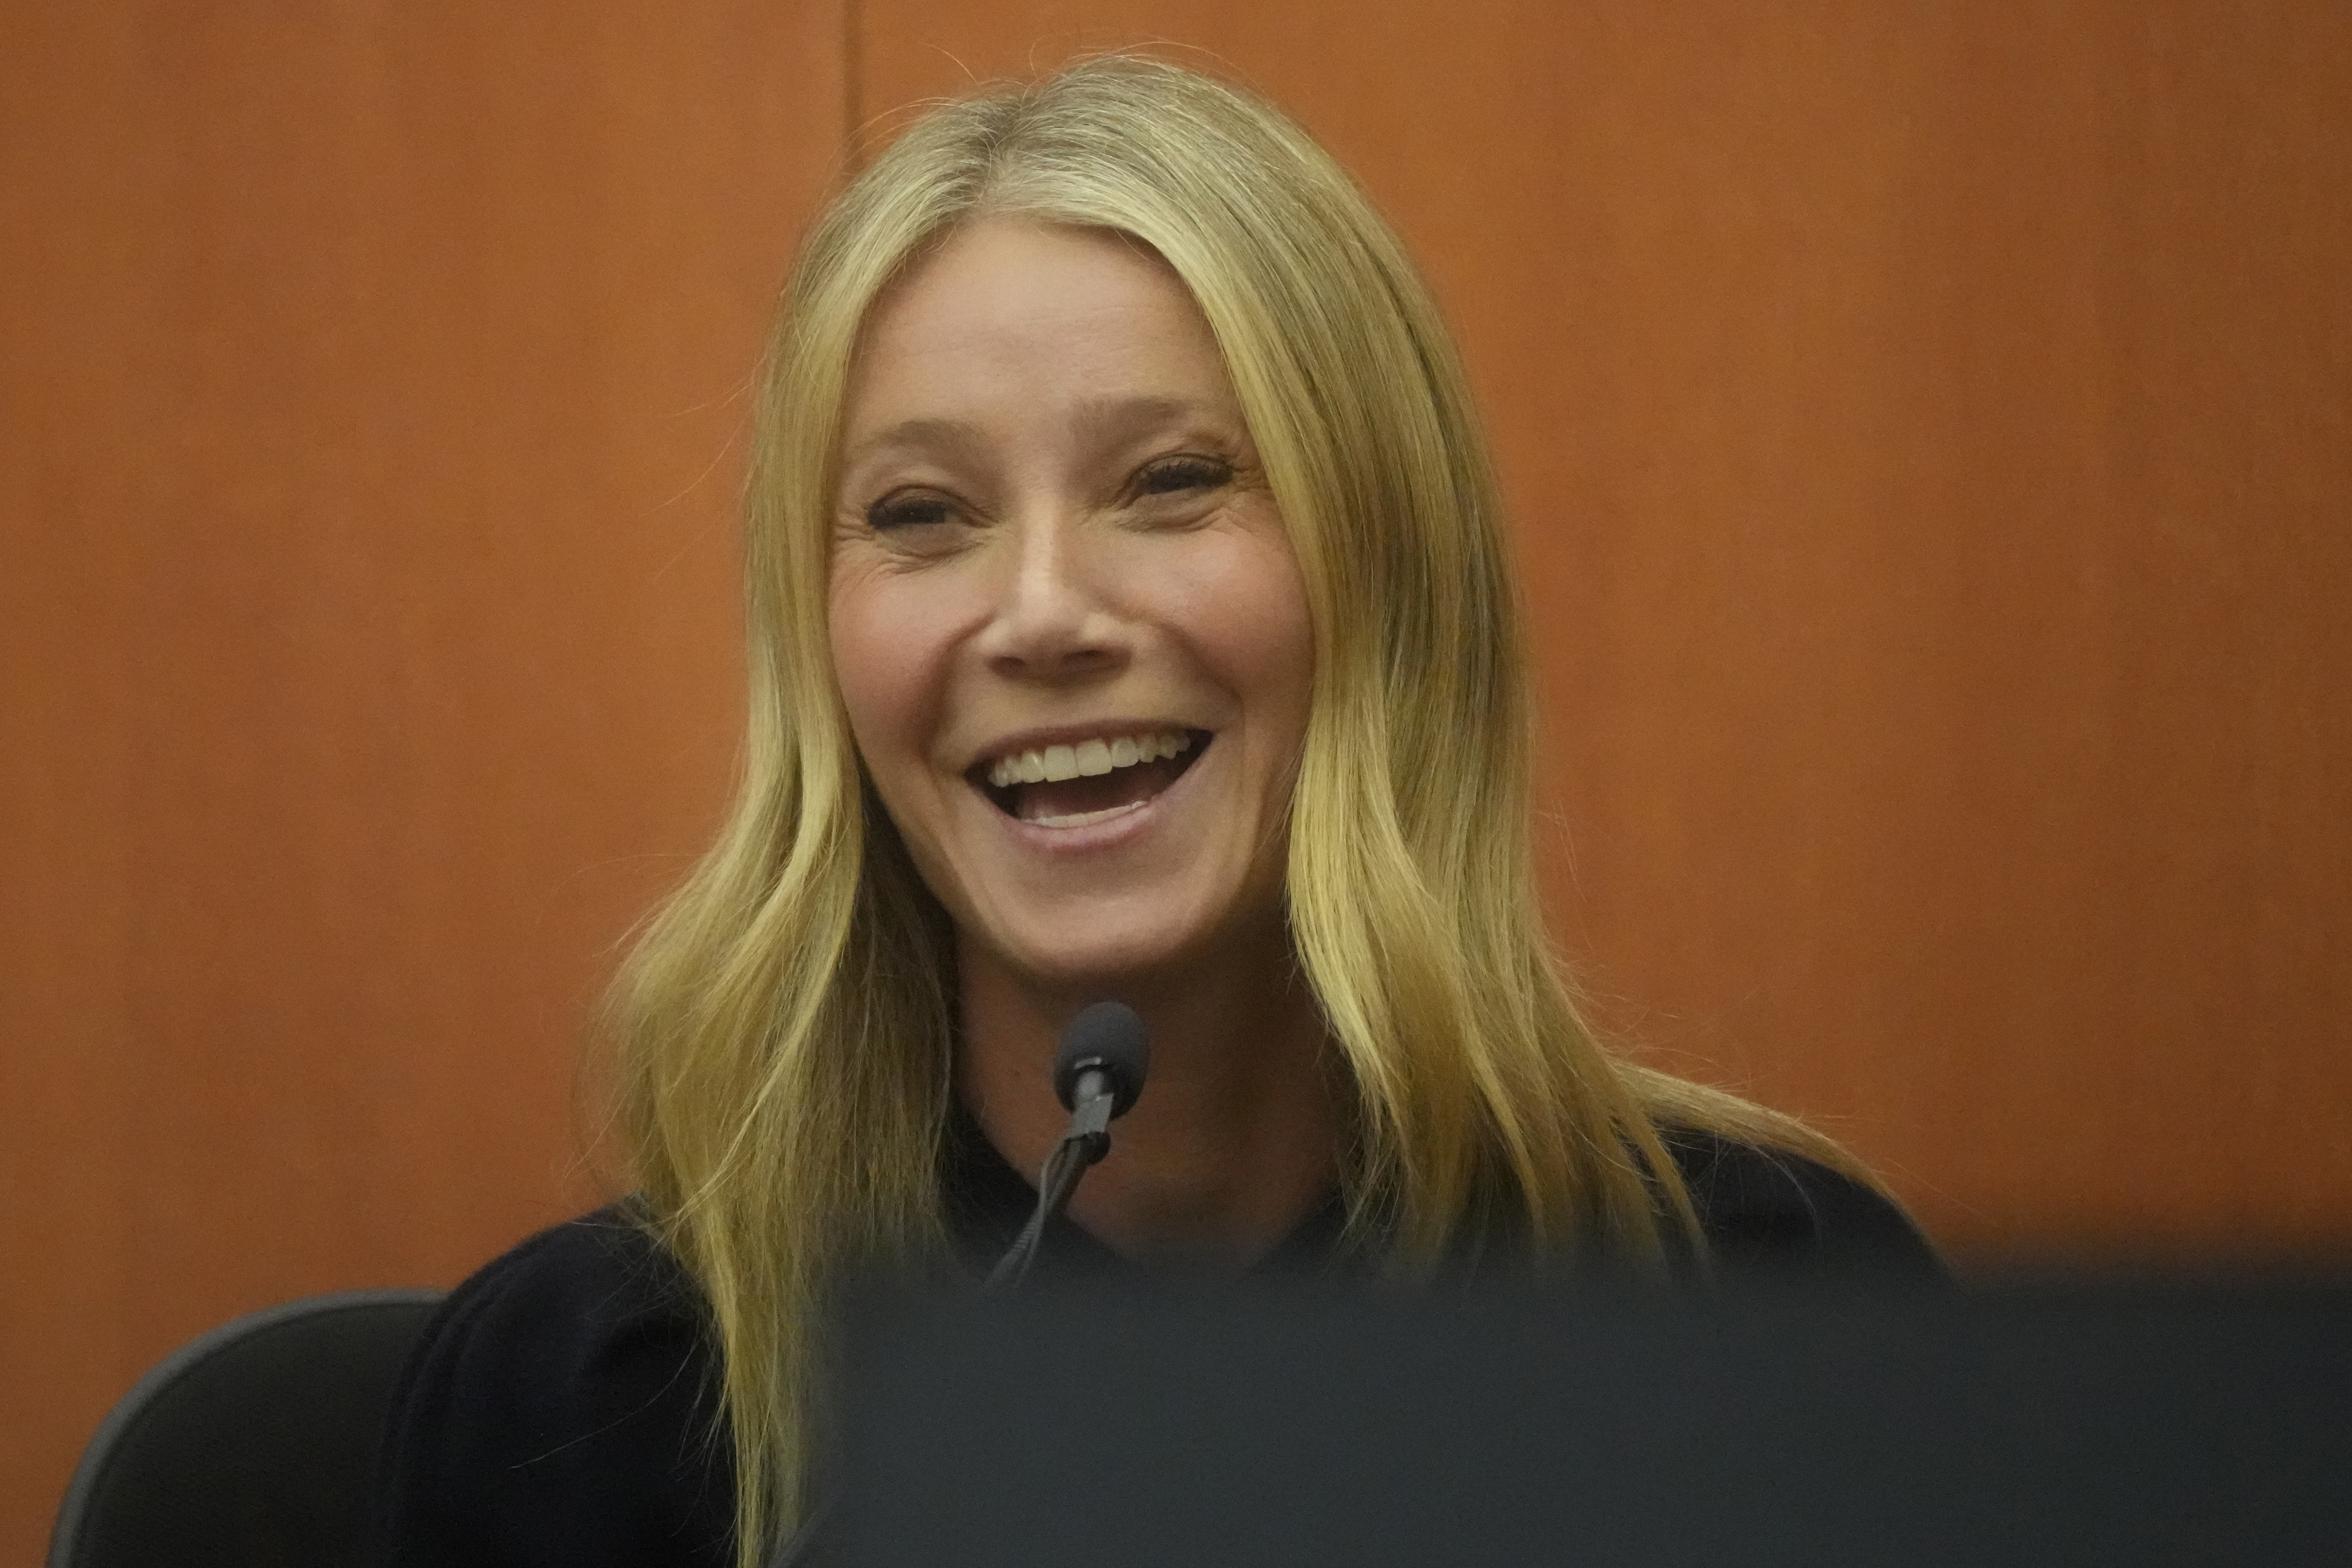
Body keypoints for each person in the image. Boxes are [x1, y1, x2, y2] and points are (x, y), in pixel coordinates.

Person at [378, 54, 1940, 1568]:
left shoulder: (1773, 1313)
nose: (1045, 612)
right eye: (923, 514)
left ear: (1387, 569)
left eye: (1174, 481)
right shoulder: (599, 1392)